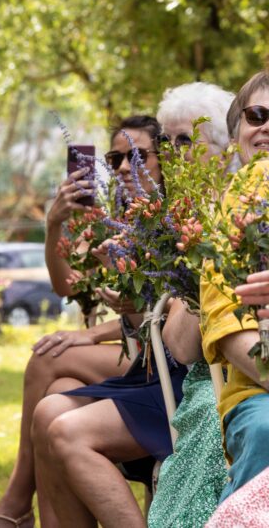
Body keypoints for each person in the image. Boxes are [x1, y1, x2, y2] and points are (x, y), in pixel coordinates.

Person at [31, 116, 187, 528]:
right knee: (53, 398)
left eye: (135, 157)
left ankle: (14, 502)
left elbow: (167, 320)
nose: (121, 168)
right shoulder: (117, 220)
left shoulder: (178, 221)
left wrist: (94, 330)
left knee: (48, 365)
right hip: (144, 356)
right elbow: (68, 286)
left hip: (170, 369)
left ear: (165, 159)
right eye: (115, 158)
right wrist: (54, 225)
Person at [147, 82, 234, 528]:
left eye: (187, 139)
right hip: (213, 376)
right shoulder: (183, 219)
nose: (173, 152)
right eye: (167, 142)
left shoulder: (246, 204)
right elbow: (181, 348)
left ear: (222, 147)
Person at [200, 70, 269, 503]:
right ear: (236, 134)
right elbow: (229, 333)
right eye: (257, 114)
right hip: (261, 391)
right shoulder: (225, 218)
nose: (266, 127)